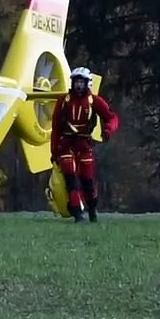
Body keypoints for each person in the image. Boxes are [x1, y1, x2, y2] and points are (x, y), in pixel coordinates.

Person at [51, 67, 120, 223]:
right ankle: (77, 213)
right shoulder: (63, 101)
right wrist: (54, 152)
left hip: (84, 145)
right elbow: (55, 128)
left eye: (82, 82)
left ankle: (92, 209)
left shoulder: (94, 101)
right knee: (71, 178)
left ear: (88, 83)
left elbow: (113, 117)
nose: (79, 86)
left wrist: (109, 129)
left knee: (87, 181)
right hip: (66, 145)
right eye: (76, 82)